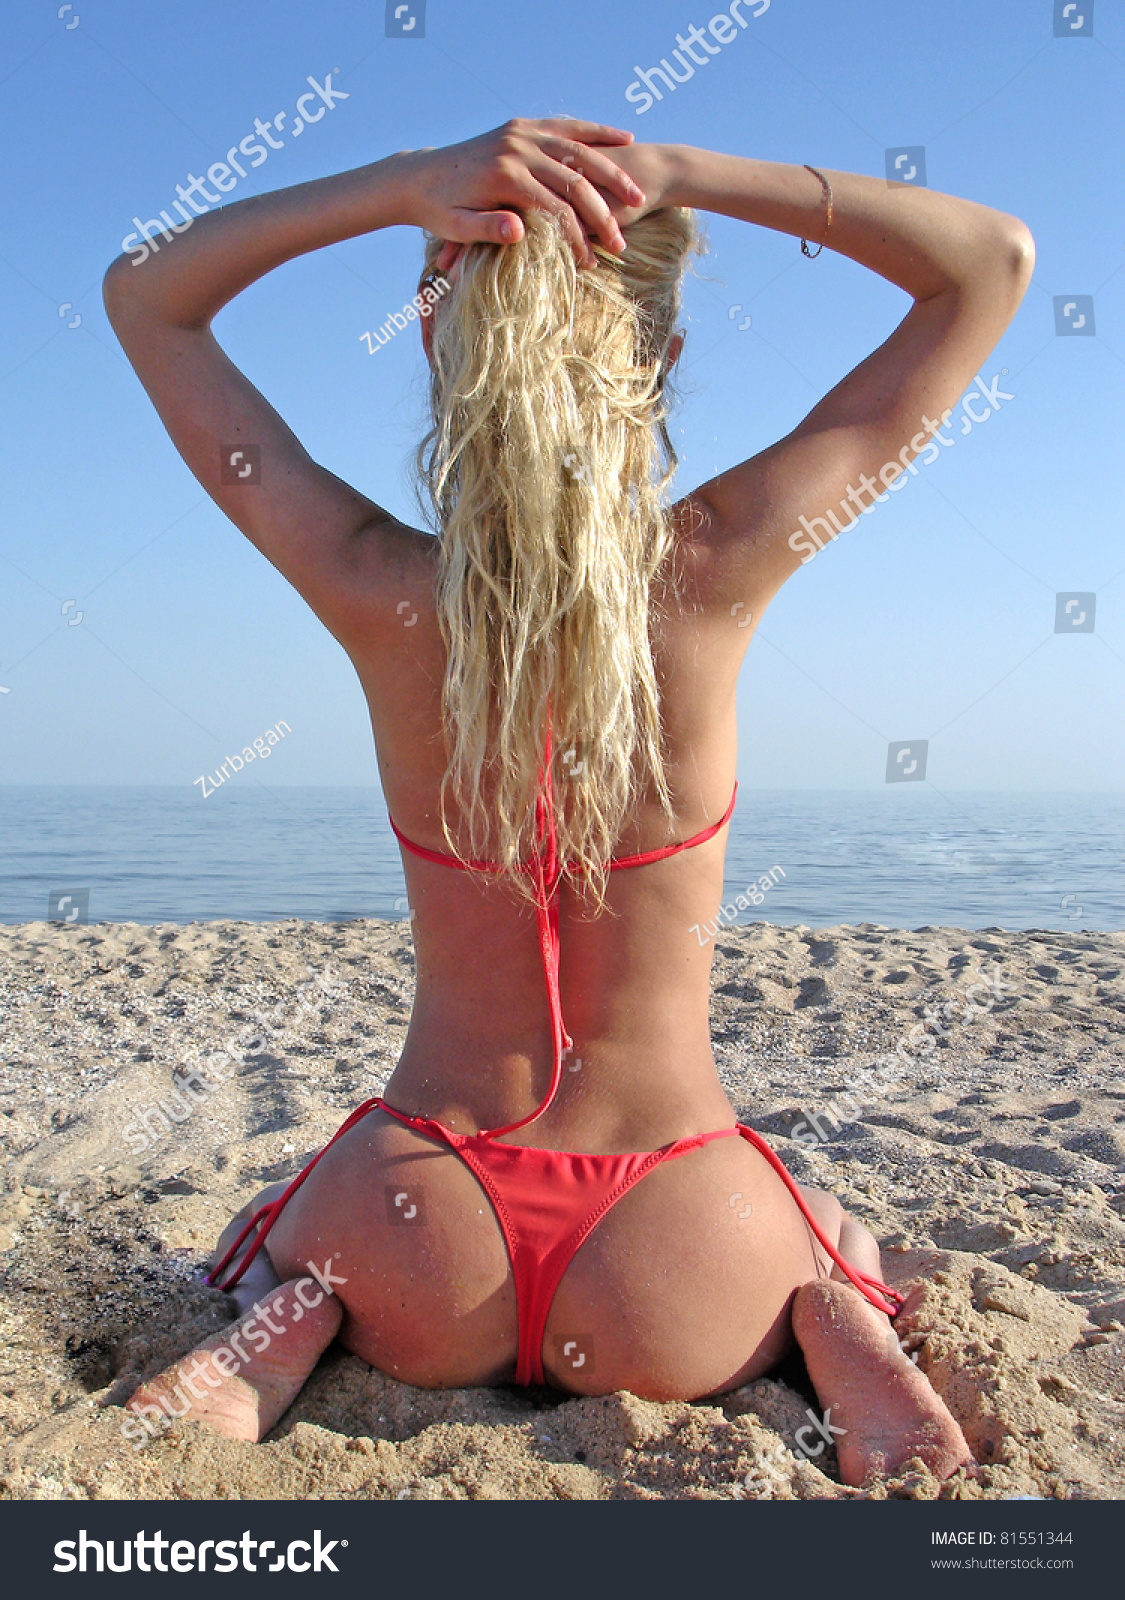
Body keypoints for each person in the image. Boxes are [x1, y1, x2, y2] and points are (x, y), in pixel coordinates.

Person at [104, 117, 1032, 1484]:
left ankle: (287, 1317)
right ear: (660, 356)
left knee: (285, 1223)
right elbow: (989, 263)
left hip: (419, 1240)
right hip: (676, 1257)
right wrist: (695, 171)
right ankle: (838, 1313)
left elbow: (146, 292)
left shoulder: (375, 586)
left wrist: (402, 186)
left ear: (436, 346)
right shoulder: (714, 571)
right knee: (833, 1233)